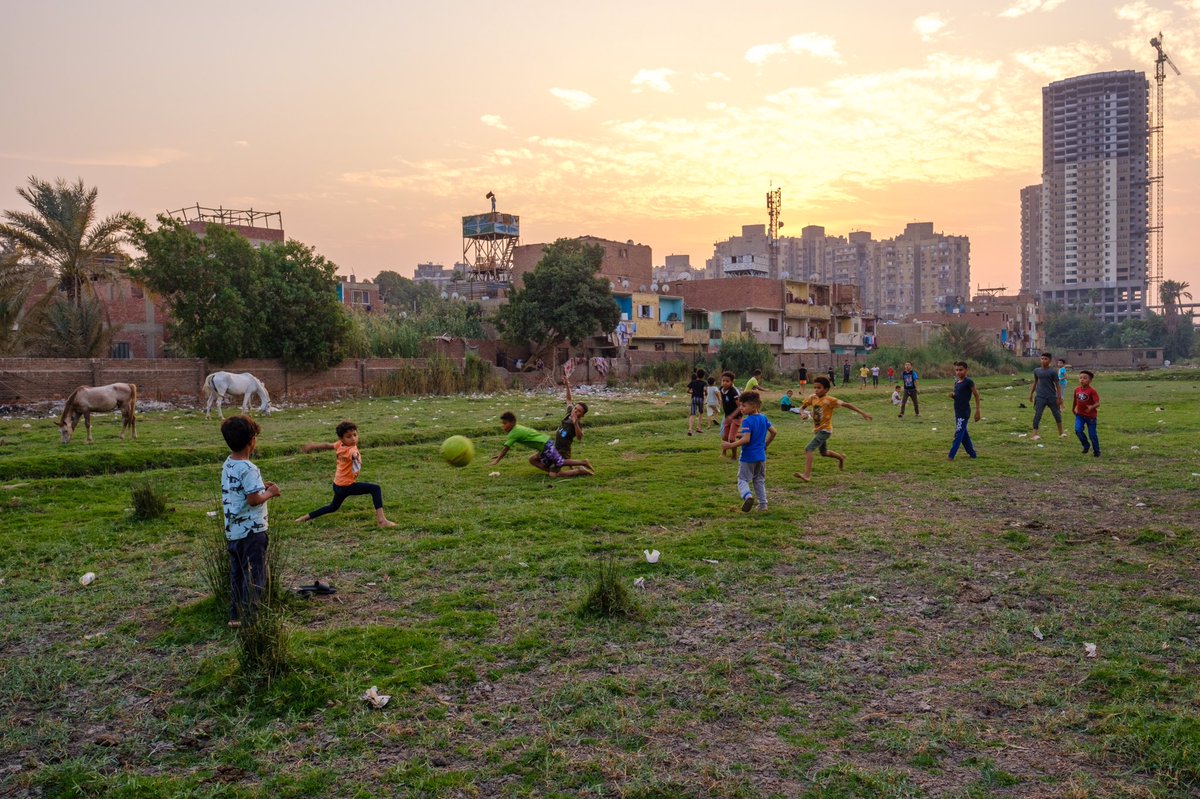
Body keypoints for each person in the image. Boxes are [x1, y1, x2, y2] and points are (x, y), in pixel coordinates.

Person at [220, 415, 281, 628]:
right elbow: (254, 500)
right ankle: (252, 618)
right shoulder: (249, 468)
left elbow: (240, 490)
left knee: (237, 574)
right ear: (252, 440)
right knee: (256, 573)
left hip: (233, 531)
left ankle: (235, 615)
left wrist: (260, 486)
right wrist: (270, 492)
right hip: (253, 531)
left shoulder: (229, 464)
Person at [295, 420, 397, 528]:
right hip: (347, 486)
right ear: (342, 438)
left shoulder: (339, 445)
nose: (353, 438)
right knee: (375, 489)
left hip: (337, 485)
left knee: (333, 507)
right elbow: (353, 454)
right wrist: (356, 457)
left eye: (355, 435)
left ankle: (303, 519)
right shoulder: (351, 450)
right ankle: (382, 521)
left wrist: (313, 446)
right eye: (349, 436)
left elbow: (328, 445)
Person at [794, 376, 872, 482]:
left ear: (826, 389)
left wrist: (863, 413)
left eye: (819, 388)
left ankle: (807, 475)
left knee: (809, 449)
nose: (816, 390)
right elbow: (802, 407)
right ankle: (841, 458)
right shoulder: (813, 397)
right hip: (818, 430)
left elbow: (847, 404)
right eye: (815, 387)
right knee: (824, 453)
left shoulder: (830, 400)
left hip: (825, 430)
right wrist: (802, 414)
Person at [489, 411, 593, 478]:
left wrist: (497, 460)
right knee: (532, 459)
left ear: (511, 423)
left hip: (546, 445)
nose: (503, 426)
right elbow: (505, 449)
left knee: (559, 465)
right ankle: (551, 471)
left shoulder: (514, 433)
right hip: (544, 445)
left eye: (504, 423)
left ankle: (582, 466)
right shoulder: (517, 428)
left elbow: (505, 449)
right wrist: (499, 456)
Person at [722, 392, 776, 512]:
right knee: (759, 480)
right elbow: (773, 432)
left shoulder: (747, 421)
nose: (741, 408)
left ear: (754, 406)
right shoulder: (763, 418)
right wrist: (765, 445)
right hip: (761, 457)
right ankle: (763, 505)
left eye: (744, 406)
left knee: (742, 479)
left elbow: (747, 439)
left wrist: (730, 444)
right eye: (740, 405)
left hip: (748, 457)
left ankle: (748, 496)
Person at [554, 375, 593, 468]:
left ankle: (581, 464)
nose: (575, 411)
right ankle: (571, 465)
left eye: (578, 411)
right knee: (558, 462)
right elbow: (569, 400)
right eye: (575, 408)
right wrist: (567, 385)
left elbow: (579, 437)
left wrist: (575, 423)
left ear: (582, 415)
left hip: (564, 449)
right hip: (557, 446)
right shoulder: (570, 413)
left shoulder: (577, 423)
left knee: (559, 463)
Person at [947, 361, 981, 461]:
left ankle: (951, 455)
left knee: (958, 434)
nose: (958, 372)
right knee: (963, 434)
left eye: (960, 370)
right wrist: (953, 396)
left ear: (966, 370)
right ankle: (972, 454)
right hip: (957, 412)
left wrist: (978, 410)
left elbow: (976, 395)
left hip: (964, 412)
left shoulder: (968, 382)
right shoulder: (956, 383)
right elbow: (959, 397)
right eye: (956, 370)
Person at [1029, 352, 1064, 440]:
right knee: (1038, 415)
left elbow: (1057, 385)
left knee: (1057, 414)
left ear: (1050, 361)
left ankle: (1061, 433)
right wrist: (1031, 394)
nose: (1043, 360)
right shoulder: (1037, 371)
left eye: (1046, 359)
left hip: (1052, 396)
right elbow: (1035, 382)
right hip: (1040, 396)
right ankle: (1034, 435)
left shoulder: (1053, 371)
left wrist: (1059, 398)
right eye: (1042, 358)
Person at [1073, 370, 1101, 457]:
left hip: (1091, 417)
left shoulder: (1092, 391)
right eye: (1080, 378)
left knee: (1092, 435)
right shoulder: (1076, 390)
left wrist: (1091, 407)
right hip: (1080, 415)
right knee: (1078, 430)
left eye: (1085, 378)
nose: (1082, 380)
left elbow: (1098, 403)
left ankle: (1097, 451)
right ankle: (1086, 445)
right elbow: (1075, 400)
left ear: (1090, 380)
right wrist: (1073, 408)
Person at [718, 371, 742, 459]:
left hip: (736, 417)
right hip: (727, 416)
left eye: (727, 381)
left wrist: (732, 416)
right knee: (724, 436)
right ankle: (723, 452)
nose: (724, 382)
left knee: (732, 438)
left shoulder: (734, 392)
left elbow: (740, 406)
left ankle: (734, 456)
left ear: (732, 382)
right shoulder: (721, 389)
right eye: (723, 380)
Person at [687, 368, 708, 436]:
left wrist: (692, 392)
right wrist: (706, 393)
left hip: (694, 398)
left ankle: (690, 429)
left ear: (697, 375)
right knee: (701, 413)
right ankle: (698, 427)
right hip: (700, 399)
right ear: (703, 376)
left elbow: (688, 390)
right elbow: (705, 390)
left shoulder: (693, 382)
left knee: (692, 414)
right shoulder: (704, 383)